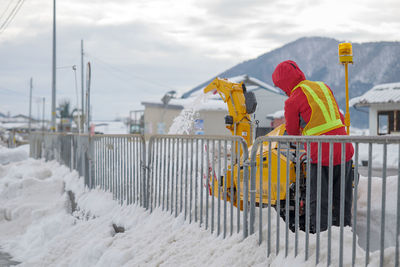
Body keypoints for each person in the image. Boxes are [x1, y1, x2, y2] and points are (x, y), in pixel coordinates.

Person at [272, 60, 354, 232]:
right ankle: (345, 240)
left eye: (281, 87)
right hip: (344, 149)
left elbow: (293, 132)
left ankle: (320, 242)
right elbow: (336, 115)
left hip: (321, 154)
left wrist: (300, 135)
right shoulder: (323, 87)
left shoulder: (292, 100)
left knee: (319, 201)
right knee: (343, 200)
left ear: (284, 83)